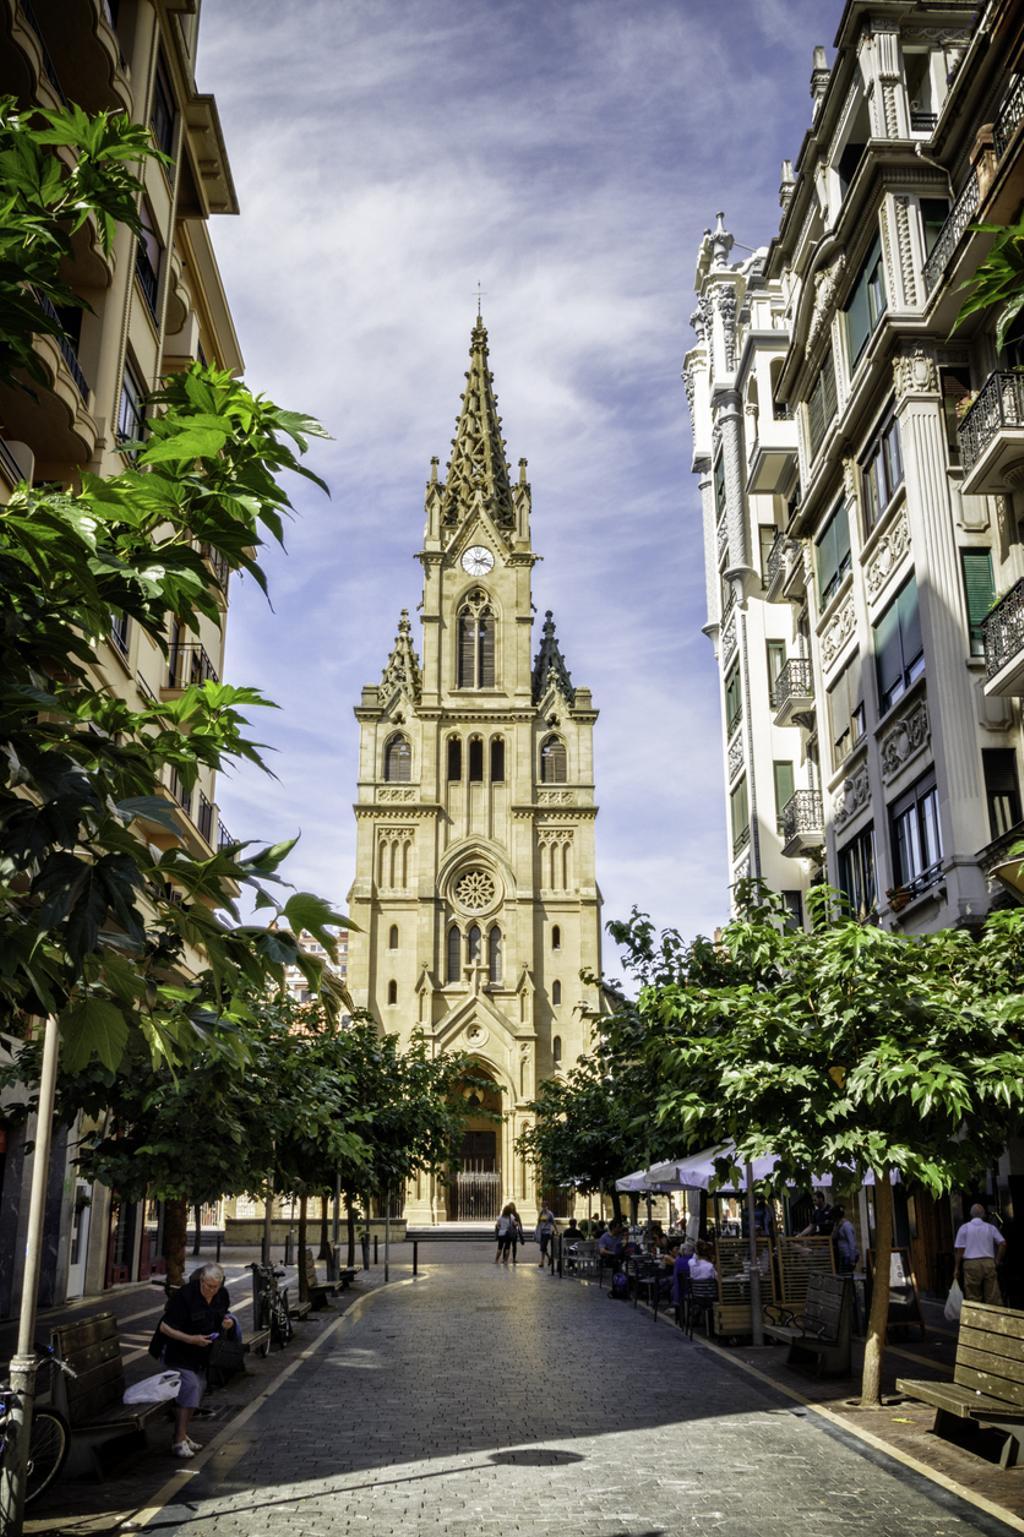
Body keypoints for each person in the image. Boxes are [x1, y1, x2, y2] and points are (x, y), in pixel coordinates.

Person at [158, 1262, 238, 1459]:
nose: (211, 1290)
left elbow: (221, 1316)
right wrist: (191, 1339)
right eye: (208, 1286)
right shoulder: (185, 1296)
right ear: (201, 1280)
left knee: (199, 1388)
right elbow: (164, 1328)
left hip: (201, 1354)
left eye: (215, 1287)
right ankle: (178, 1441)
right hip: (177, 1350)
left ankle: (183, 1435)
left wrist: (226, 1323)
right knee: (191, 1386)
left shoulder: (221, 1294)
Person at [954, 1202, 1007, 1303]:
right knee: (992, 1295)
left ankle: (976, 1312)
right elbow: (1003, 1243)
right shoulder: (990, 1228)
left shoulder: (964, 1228)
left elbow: (960, 1250)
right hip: (988, 1262)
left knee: (973, 1296)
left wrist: (956, 1268)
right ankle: (992, 1312)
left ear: (971, 1214)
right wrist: (997, 1260)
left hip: (971, 1264)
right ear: (983, 1215)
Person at [831, 1205, 859, 1274]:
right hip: (843, 1255)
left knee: (846, 1275)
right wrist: (837, 1227)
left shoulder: (846, 1225)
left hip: (848, 1255)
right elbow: (833, 1237)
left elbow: (851, 1242)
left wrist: (852, 1260)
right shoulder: (838, 1225)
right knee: (843, 1274)